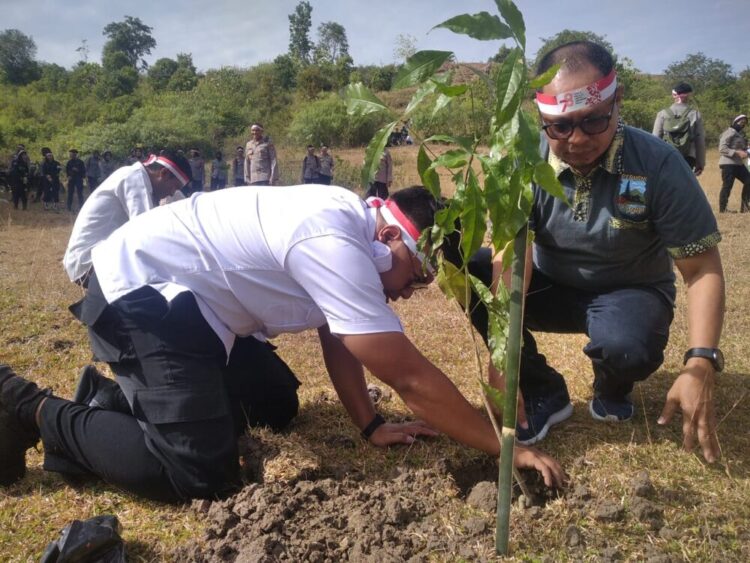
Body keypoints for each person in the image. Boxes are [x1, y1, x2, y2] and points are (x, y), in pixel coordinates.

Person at [0, 185, 564, 500]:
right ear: (391, 234)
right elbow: (409, 376)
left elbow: (337, 332)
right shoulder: (333, 236)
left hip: (200, 314)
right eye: (415, 276)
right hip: (144, 299)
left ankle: (115, 403)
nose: (409, 292)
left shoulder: (351, 231)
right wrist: (503, 446)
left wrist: (369, 425)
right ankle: (27, 406)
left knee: (274, 403)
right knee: (196, 476)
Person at [466, 41, 724, 465]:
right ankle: (542, 388)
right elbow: (513, 256)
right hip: (549, 286)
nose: (578, 139)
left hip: (629, 292)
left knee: (627, 346)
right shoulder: (524, 163)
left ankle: (613, 385)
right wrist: (503, 359)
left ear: (617, 100)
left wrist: (700, 362)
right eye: (560, 126)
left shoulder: (657, 165)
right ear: (542, 118)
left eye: (593, 121)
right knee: (474, 269)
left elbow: (701, 270)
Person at [63, 150, 193, 285]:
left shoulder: (144, 179)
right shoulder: (134, 178)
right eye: (175, 187)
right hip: (87, 264)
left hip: (96, 260)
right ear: (164, 174)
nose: (172, 193)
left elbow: (186, 209)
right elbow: (147, 236)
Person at [652, 82, 706, 175]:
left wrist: (653, 161)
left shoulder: (662, 114)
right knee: (684, 186)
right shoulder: (695, 114)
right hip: (688, 157)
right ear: (689, 95)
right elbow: (700, 141)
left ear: (674, 95)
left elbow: (655, 139)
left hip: (667, 155)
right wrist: (700, 163)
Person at [717, 114, 750, 213]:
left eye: (744, 123)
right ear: (735, 122)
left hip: (739, 164)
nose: (742, 125)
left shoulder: (740, 134)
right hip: (728, 164)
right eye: (741, 122)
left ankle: (744, 207)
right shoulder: (729, 132)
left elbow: (742, 149)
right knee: (727, 186)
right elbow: (722, 149)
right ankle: (723, 209)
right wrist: (737, 152)